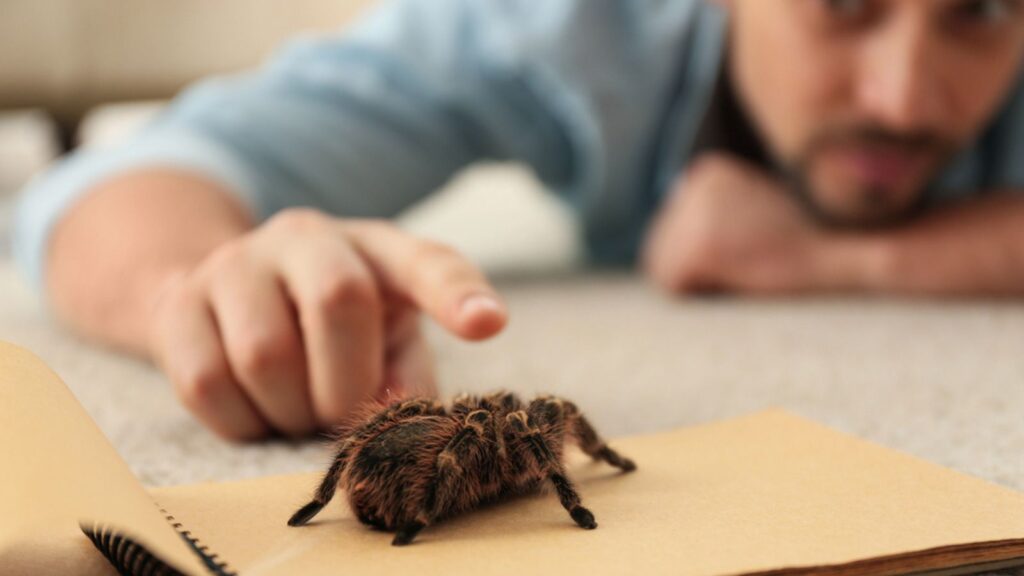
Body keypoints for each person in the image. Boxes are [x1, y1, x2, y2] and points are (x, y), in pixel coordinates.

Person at [14, 0, 1024, 441]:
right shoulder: (545, 26)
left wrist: (817, 259)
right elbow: (133, 176)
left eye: (978, 10)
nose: (901, 97)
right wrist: (198, 293)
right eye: (841, 2)